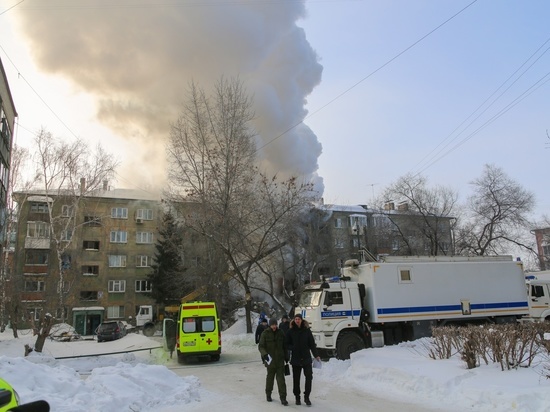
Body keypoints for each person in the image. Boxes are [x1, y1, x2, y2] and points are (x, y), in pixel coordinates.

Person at [286, 313, 320, 406]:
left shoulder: (307, 331)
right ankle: (297, 397)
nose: (297, 321)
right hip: (296, 359)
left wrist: (316, 355)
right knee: (296, 380)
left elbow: (312, 344)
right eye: (296, 319)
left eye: (299, 319)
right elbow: (286, 344)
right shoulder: (290, 331)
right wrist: (292, 347)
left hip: (306, 358)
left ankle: (307, 397)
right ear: (294, 320)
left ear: (301, 320)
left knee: (309, 378)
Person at [258, 318, 289, 406]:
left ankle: (283, 398)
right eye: (272, 325)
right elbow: (261, 346)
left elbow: (285, 346)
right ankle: (268, 394)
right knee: (270, 379)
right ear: (270, 325)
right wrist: (265, 355)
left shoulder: (281, 333)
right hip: (270, 361)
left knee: (281, 380)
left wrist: (286, 357)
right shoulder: (265, 333)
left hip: (280, 361)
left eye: (275, 325)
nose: (274, 326)